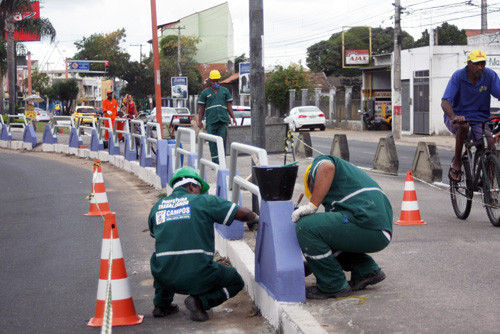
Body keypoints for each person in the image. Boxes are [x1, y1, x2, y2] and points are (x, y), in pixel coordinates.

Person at [149, 166, 259, 322]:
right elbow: (245, 214)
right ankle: (200, 302)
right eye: (200, 189)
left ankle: (161, 305)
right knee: (236, 280)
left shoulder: (157, 207)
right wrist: (258, 219)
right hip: (199, 275)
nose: (201, 193)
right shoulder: (204, 201)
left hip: (166, 276)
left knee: (161, 256)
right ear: (192, 186)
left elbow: (155, 234)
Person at [292, 155, 393, 299]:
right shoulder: (344, 191)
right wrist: (311, 265)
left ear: (311, 179)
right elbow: (329, 241)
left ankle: (332, 285)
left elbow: (327, 167)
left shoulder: (320, 165)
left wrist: (312, 205)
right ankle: (366, 270)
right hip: (379, 230)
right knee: (327, 233)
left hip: (368, 222)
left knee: (306, 226)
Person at [442, 49, 500, 181]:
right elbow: (445, 101)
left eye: (483, 63)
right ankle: (457, 162)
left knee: (490, 145)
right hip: (457, 116)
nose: (480, 67)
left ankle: (488, 188)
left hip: (479, 119)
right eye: (477, 63)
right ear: (469, 64)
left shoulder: (489, 76)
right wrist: (453, 117)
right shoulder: (458, 76)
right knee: (463, 127)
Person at [197, 70, 237, 164]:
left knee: (222, 141)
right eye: (214, 81)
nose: (216, 83)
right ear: (210, 81)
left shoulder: (225, 91)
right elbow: (201, 108)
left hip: (223, 120)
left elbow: (229, 106)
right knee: (212, 143)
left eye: (217, 80)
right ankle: (215, 162)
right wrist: (199, 121)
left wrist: (233, 117)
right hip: (211, 121)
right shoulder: (205, 93)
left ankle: (222, 162)